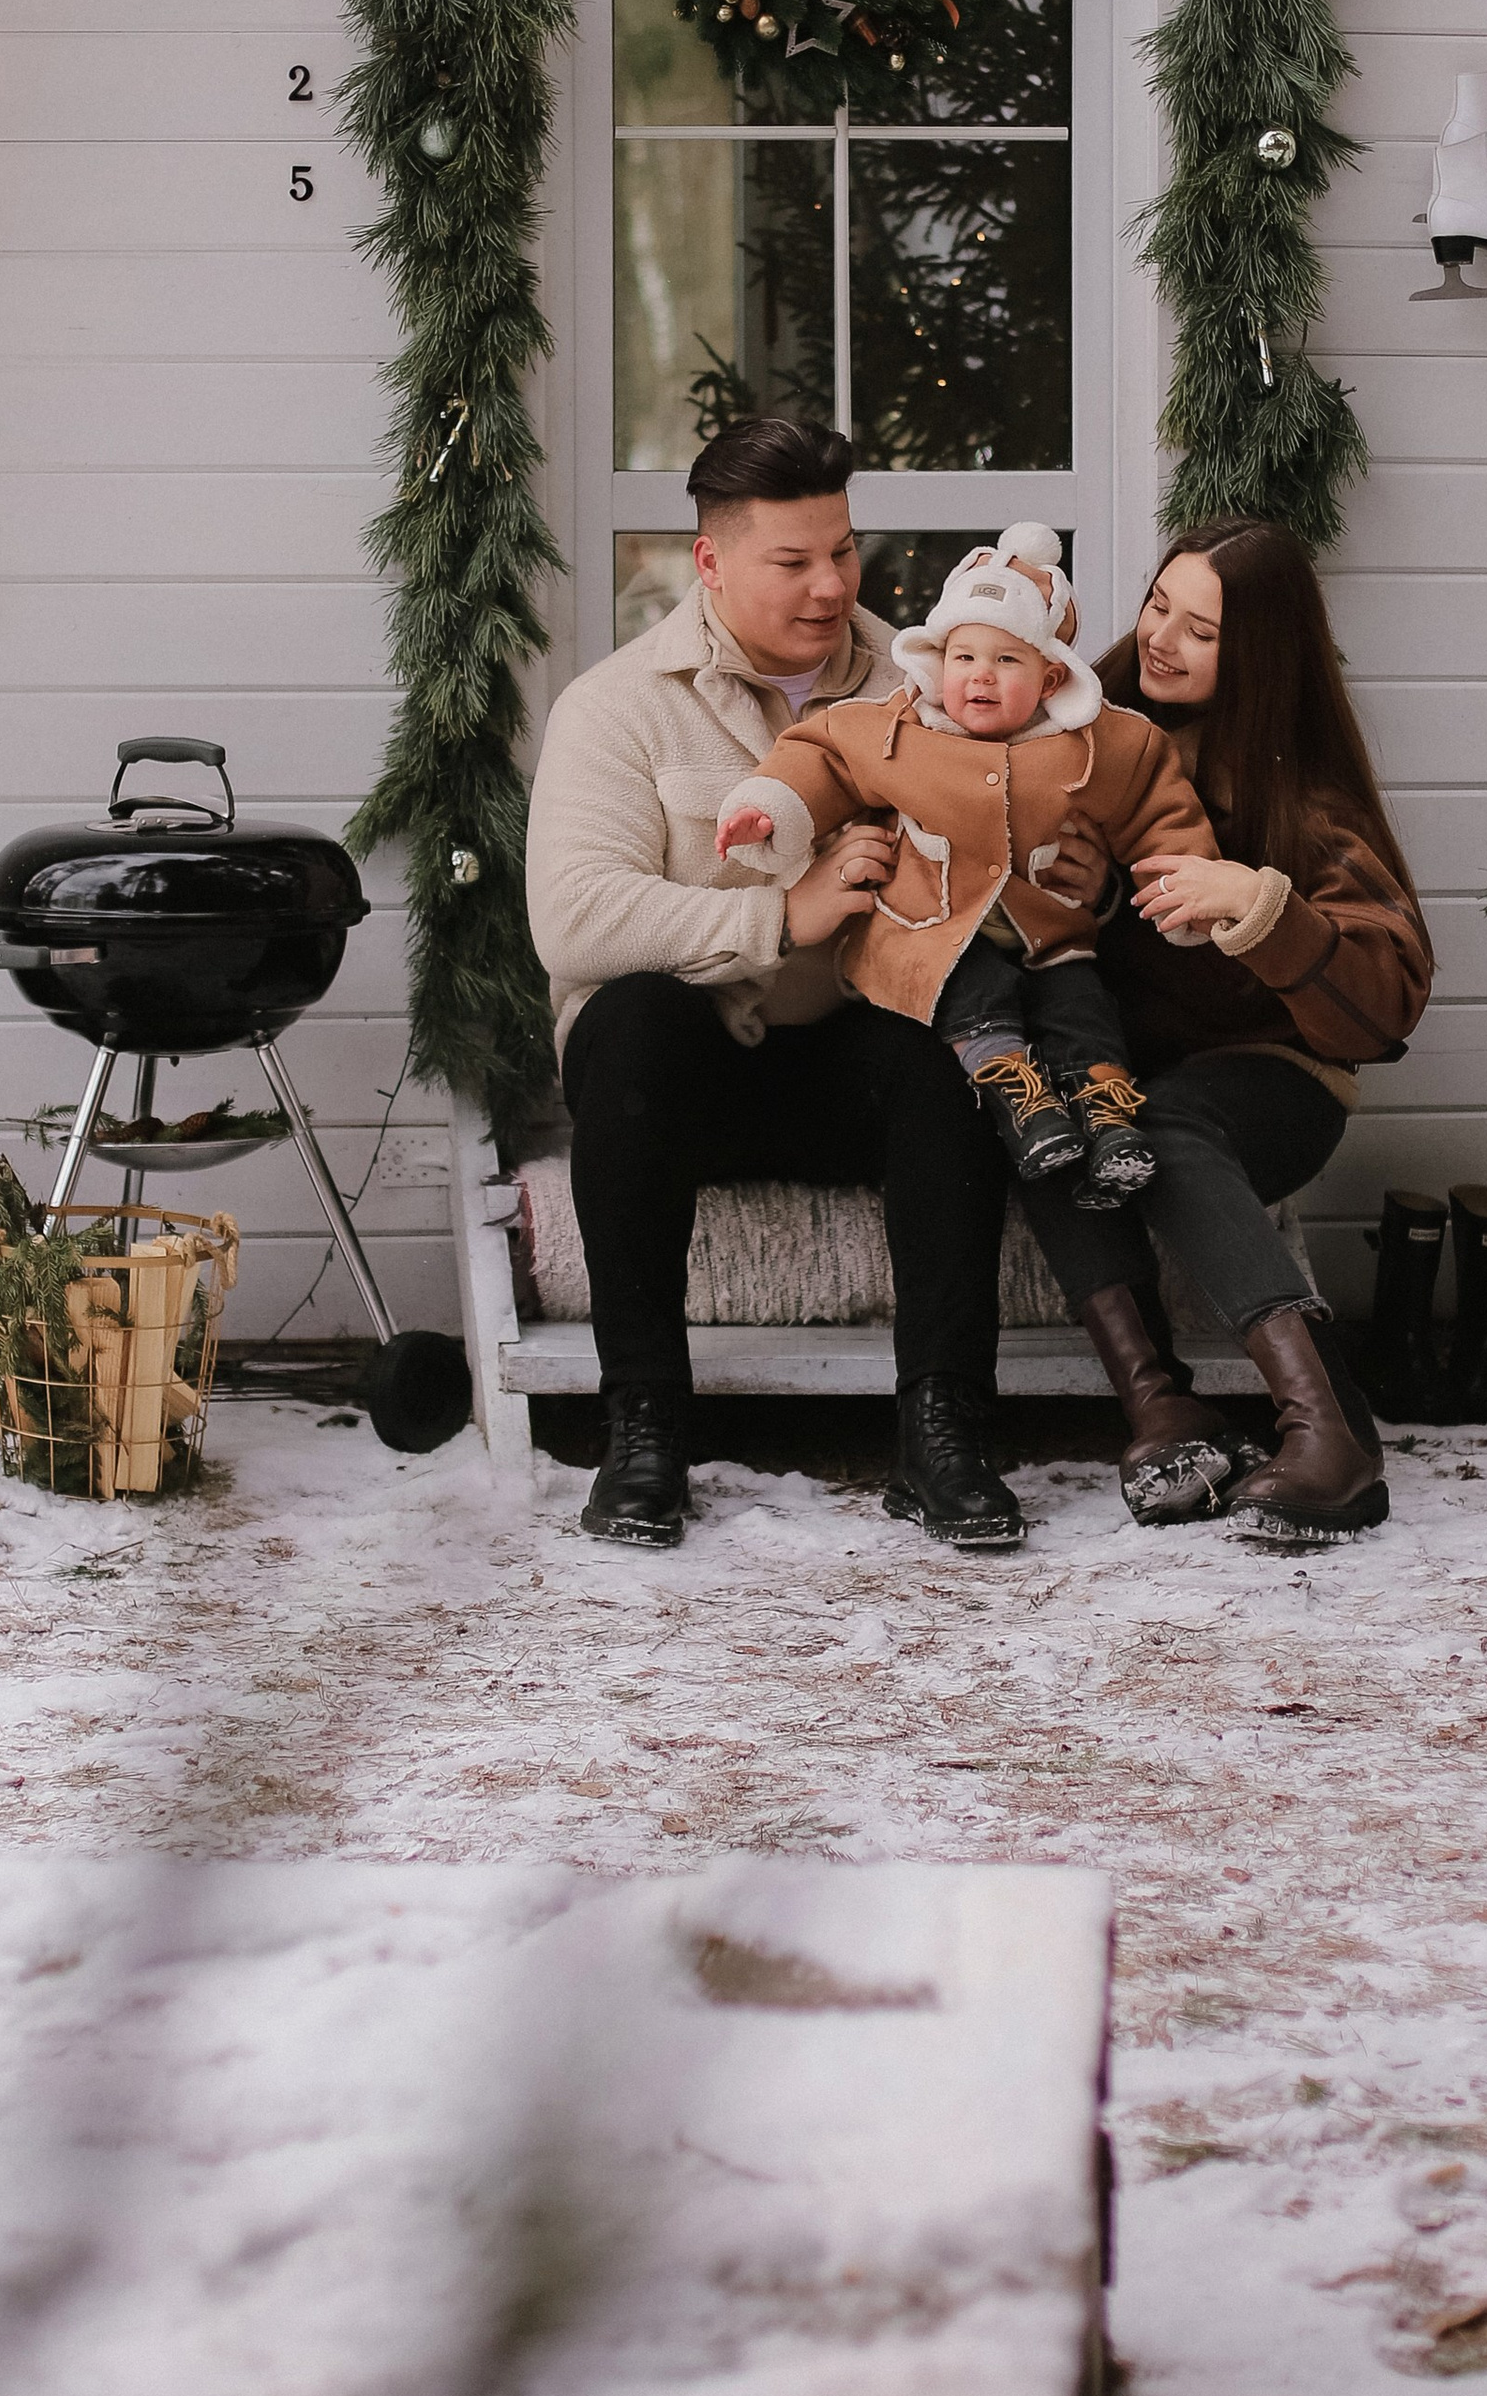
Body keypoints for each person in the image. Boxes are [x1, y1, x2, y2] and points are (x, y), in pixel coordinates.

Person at [523, 418, 1025, 1555]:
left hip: (850, 1061)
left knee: (948, 1038)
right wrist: (777, 917)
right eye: (792, 562)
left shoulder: (923, 690)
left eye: (841, 551)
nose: (830, 586)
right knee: (631, 1017)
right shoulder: (616, 705)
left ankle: (943, 1428)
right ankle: (643, 1423)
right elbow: (575, 918)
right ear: (710, 561)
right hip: (679, 1081)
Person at [1022, 516, 1434, 1543]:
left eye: (1200, 631)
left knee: (1162, 1122)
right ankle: (1165, 1415)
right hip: (1115, 1067)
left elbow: (1388, 992)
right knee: (1049, 1113)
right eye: (1158, 606)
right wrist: (1086, 893)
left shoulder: (1303, 791)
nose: (1162, 639)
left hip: (1275, 1078)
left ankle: (1329, 1429)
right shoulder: (1081, 728)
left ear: (1259, 652)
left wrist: (1258, 905)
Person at [714, 525, 1213, 1206]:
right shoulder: (898, 730)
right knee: (975, 990)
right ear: (936, 660)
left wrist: (1183, 888)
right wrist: (770, 809)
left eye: (1007, 659)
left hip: (1049, 935)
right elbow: (822, 757)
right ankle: (1019, 1100)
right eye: (964, 656)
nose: (980, 674)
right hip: (933, 933)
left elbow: (1159, 807)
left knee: (1081, 1005)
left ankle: (1106, 1115)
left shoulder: (1098, 745)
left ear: (1051, 677)